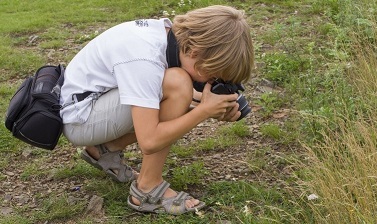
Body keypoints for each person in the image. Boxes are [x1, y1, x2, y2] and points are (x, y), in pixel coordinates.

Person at [59, 5, 254, 215]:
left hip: (93, 104)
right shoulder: (145, 57)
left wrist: (206, 104)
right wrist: (204, 110)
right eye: (214, 76)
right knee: (179, 86)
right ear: (196, 53)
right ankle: (147, 189)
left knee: (184, 94)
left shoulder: (166, 37)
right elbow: (150, 141)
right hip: (81, 119)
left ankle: (105, 149)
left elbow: (158, 90)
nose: (213, 82)